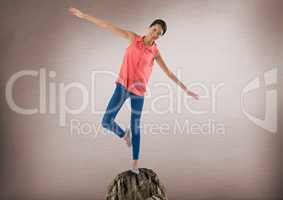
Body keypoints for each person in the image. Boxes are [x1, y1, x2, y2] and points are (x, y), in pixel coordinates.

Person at [68, 7, 199, 174]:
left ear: (160, 37)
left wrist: (185, 89)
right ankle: (124, 135)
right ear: (149, 28)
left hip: (138, 92)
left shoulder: (155, 53)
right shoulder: (133, 38)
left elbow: (169, 73)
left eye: (159, 34)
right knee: (106, 121)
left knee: (136, 126)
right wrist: (83, 15)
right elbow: (108, 25)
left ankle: (135, 164)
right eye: (154, 30)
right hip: (122, 86)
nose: (155, 34)